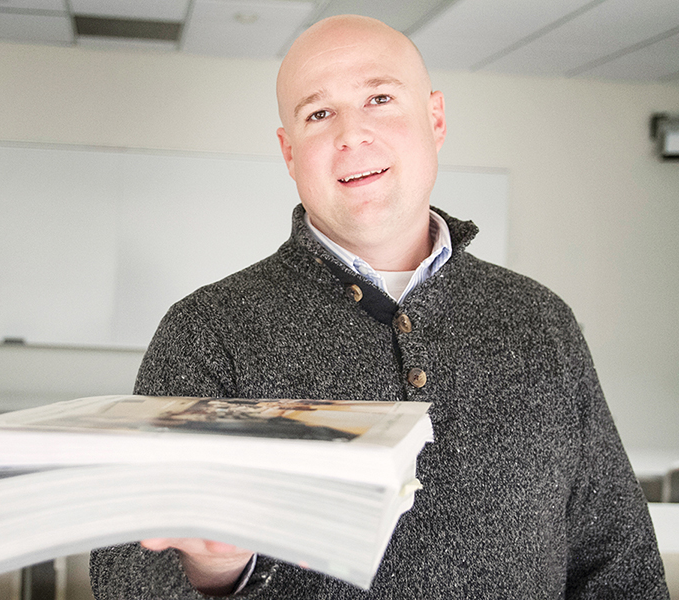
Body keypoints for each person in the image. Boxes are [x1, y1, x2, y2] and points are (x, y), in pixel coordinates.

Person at [89, 14, 669, 599]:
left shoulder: (541, 321)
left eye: (380, 98)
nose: (351, 134)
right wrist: (216, 570)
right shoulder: (208, 329)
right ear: (289, 152)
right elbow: (123, 574)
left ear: (435, 118)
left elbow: (618, 560)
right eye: (319, 114)